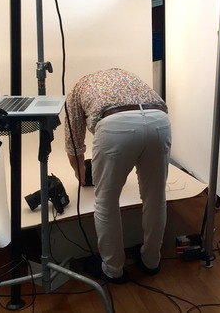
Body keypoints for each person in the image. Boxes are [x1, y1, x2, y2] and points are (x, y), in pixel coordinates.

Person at [64, 68, 171, 283]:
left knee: (106, 202)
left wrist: (81, 174)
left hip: (116, 127)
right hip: (159, 121)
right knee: (156, 197)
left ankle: (113, 269)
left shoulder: (77, 89)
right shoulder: (125, 75)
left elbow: (74, 143)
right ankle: (152, 260)